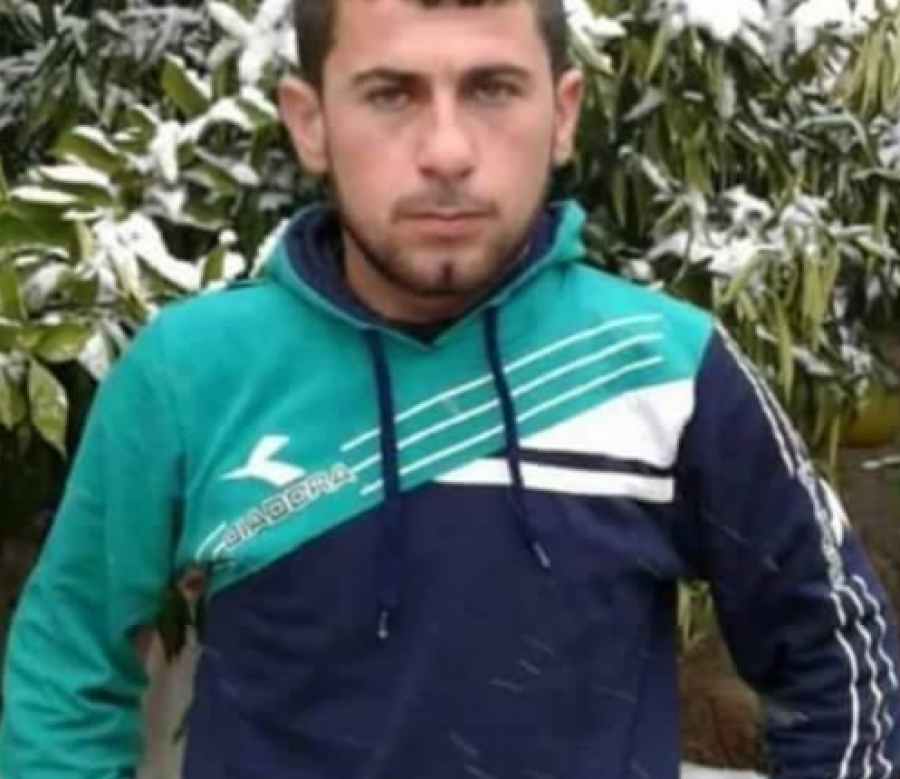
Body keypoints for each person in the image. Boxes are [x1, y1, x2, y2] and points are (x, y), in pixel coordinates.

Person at [2, 0, 899, 776]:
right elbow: (66, 667)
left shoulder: (669, 369)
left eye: (493, 89)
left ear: (563, 114)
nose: (446, 151)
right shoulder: (189, 373)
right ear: (310, 123)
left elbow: (837, 653)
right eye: (390, 94)